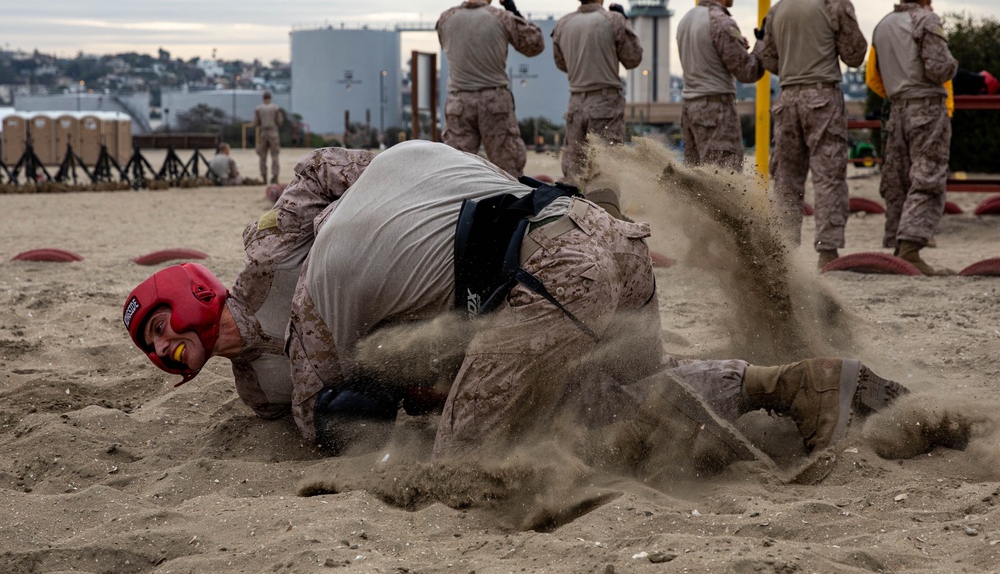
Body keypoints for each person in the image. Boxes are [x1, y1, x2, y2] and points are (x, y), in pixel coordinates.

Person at [124, 141, 916, 475]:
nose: (163, 348)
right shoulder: (254, 383)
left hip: (532, 272)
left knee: (462, 471)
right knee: (612, 398)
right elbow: (305, 404)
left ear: (189, 291)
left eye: (159, 325)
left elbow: (324, 404)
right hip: (591, 245)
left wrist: (383, 189)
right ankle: (795, 387)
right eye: (152, 346)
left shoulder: (279, 267)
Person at [759, 0, 868, 269]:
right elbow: (854, 55)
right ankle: (827, 250)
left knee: (787, 180)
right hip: (823, 97)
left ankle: (784, 249)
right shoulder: (836, 4)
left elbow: (766, 58)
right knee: (829, 176)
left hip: (788, 97)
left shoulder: (777, 9)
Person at [869, 0, 958, 276]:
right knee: (928, 176)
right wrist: (954, 63)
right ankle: (911, 247)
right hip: (927, 109)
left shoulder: (882, 25)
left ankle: (896, 242)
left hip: (896, 110)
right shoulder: (926, 20)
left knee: (898, 179)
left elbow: (875, 74)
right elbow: (939, 68)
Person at [437, 0, 545, 177]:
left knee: (454, 171)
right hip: (495, 101)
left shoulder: (445, 19)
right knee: (508, 169)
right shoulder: (501, 17)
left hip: (459, 102)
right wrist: (515, 13)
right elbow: (535, 44)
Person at [551, 0, 643, 186]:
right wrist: (626, 22)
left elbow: (561, 63)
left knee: (574, 169)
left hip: (575, 103)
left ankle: (573, 214)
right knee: (606, 168)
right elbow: (633, 59)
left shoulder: (563, 24)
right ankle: (607, 215)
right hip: (605, 103)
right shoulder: (614, 20)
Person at [676, 0, 766, 171]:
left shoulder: (686, 19)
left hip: (690, 108)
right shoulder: (721, 22)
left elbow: (708, 56)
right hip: (716, 110)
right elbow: (748, 71)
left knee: (697, 183)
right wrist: (761, 44)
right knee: (724, 181)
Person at [254, 91, 284, 184]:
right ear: (270, 98)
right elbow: (279, 121)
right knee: (274, 155)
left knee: (262, 156)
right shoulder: (275, 108)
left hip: (263, 132)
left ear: (263, 98)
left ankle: (264, 177)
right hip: (273, 132)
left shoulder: (258, 108)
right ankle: (275, 176)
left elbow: (256, 122)